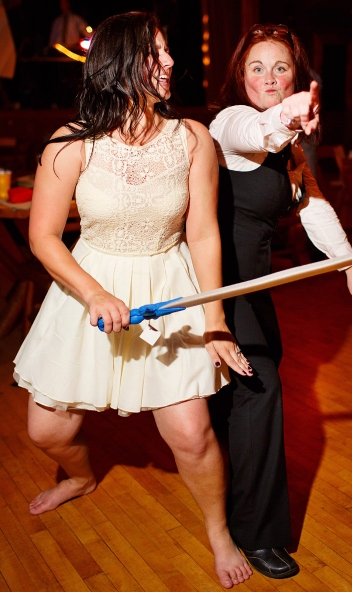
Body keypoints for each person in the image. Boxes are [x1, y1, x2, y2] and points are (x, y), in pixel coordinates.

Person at [13, 12, 252, 589]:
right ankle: (80, 477)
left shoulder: (192, 138)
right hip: (87, 289)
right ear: (119, 62)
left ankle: (219, 531)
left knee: (191, 434)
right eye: (155, 53)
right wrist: (94, 292)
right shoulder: (70, 144)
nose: (170, 62)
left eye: (168, 51)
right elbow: (43, 236)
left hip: (168, 286)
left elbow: (203, 234)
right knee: (47, 433)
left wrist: (215, 319)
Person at [207, 23, 352, 580]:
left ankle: (226, 492)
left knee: (238, 393)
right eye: (256, 68)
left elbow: (312, 203)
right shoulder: (231, 124)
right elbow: (258, 131)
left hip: (252, 283)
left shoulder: (293, 149)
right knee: (259, 390)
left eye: (280, 68)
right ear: (240, 77)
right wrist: (288, 115)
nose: (268, 78)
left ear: (296, 76)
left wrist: (349, 265)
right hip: (216, 284)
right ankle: (255, 533)